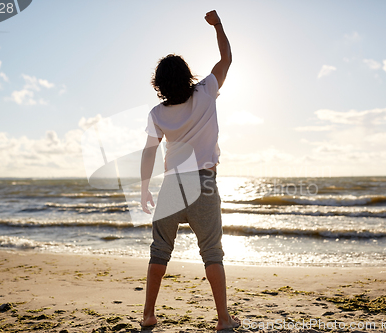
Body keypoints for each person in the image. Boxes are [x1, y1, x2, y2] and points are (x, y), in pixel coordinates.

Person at [139, 9, 239, 331]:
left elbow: (149, 152)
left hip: (171, 186)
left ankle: (148, 315)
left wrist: (143, 188)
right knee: (212, 253)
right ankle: (223, 319)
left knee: (159, 253)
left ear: (160, 85)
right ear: (187, 76)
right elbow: (226, 57)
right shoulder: (207, 90)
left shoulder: (157, 113)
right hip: (204, 184)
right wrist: (218, 25)